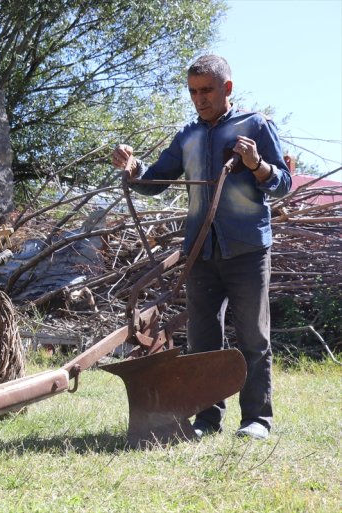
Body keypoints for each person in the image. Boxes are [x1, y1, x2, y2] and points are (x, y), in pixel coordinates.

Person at [111, 54, 292, 440]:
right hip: (200, 253)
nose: (199, 99)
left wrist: (257, 164)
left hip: (246, 250)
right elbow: (156, 180)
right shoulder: (188, 136)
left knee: (252, 336)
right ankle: (206, 419)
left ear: (227, 88)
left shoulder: (255, 126)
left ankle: (257, 419)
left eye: (207, 90)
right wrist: (133, 170)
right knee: (203, 339)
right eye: (193, 92)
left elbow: (282, 184)